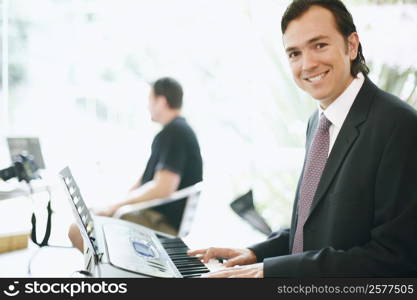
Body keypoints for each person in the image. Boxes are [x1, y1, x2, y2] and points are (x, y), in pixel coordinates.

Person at [188, 0, 417, 277]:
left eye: (319, 45)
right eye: (294, 53)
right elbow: (311, 227)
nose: (307, 64)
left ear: (352, 45)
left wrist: (269, 273)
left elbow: (394, 258)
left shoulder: (398, 125)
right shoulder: (317, 122)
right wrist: (257, 255)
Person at [69, 77, 203, 251]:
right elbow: (146, 181)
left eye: (150, 100)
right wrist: (113, 204)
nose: (147, 106)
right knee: (90, 217)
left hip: (159, 221)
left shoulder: (174, 133)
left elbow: (163, 187)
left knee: (77, 229)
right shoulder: (176, 131)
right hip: (152, 215)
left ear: (161, 102)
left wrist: (116, 207)